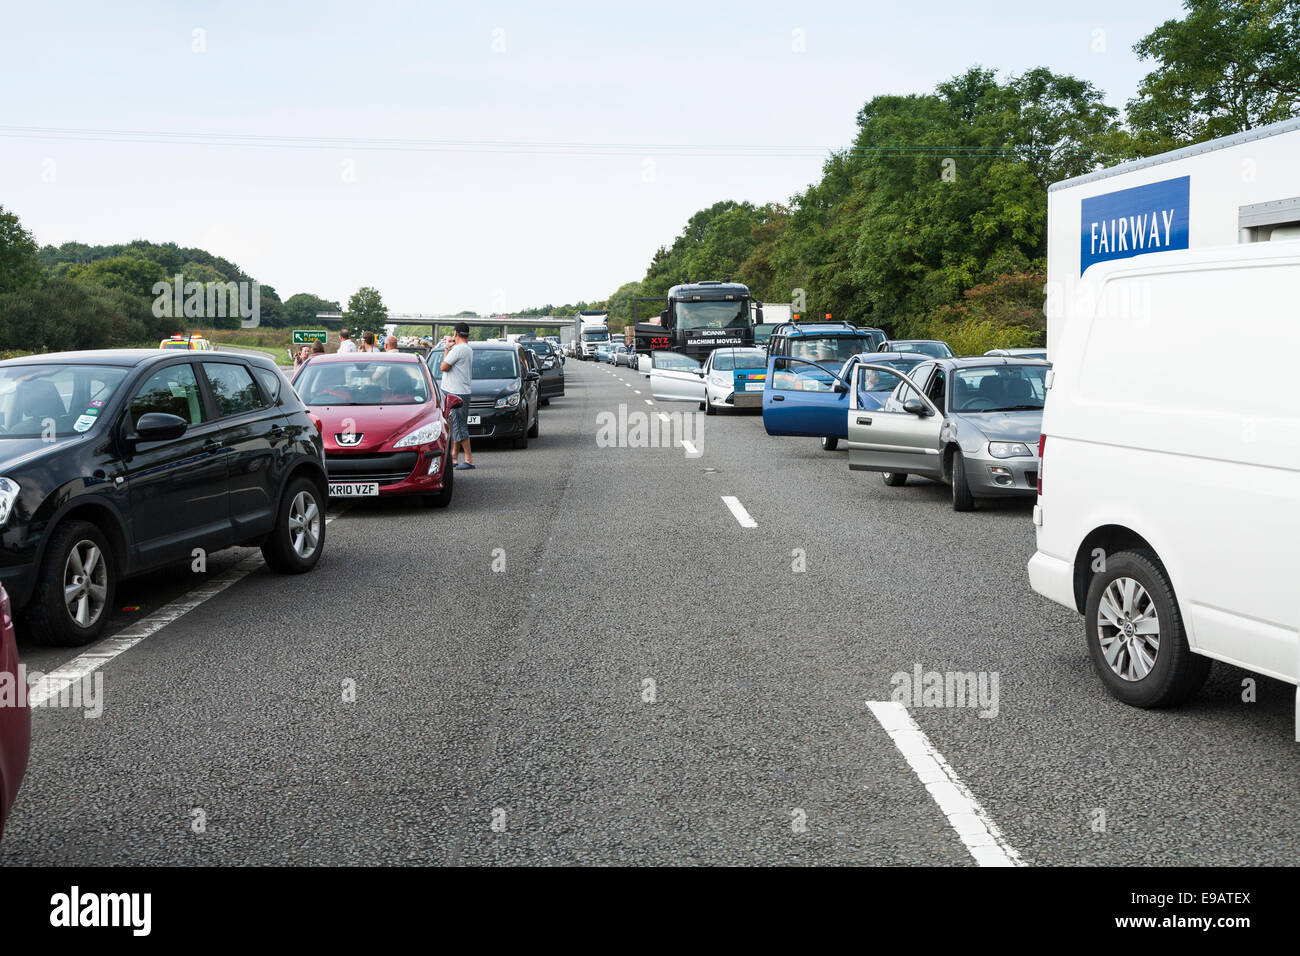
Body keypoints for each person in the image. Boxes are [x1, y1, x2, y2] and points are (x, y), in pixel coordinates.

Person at [440, 322, 475, 470]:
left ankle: (469, 459)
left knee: (459, 427)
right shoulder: (468, 349)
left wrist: (447, 348)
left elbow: (443, 367)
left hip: (455, 392)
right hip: (463, 391)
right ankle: (454, 456)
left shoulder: (458, 349)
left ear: (456, 333)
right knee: (457, 425)